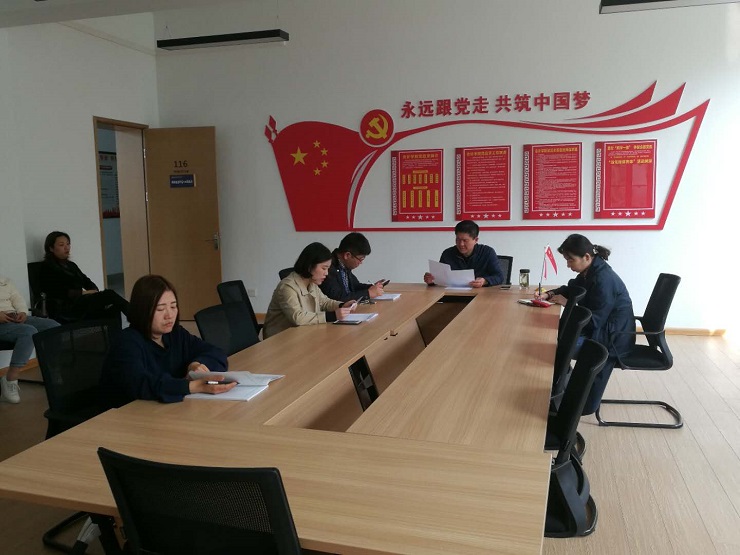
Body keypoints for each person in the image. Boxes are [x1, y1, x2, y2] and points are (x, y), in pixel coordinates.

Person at [99, 275, 236, 409]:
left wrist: (195, 365)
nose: (169, 315)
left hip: (165, 409)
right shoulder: (126, 342)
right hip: (127, 415)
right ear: (142, 310)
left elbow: (216, 353)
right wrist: (193, 386)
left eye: (173, 306)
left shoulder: (175, 334)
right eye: (160, 309)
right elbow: (141, 383)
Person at [537, 234, 635, 415]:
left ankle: (565, 399)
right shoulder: (590, 271)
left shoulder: (604, 279)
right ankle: (561, 389)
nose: (568, 265)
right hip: (602, 331)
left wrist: (569, 304)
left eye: (570, 260)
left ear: (587, 257)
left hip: (611, 339)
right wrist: (549, 294)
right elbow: (571, 289)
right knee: (555, 341)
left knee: (557, 347)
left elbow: (595, 320)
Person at [263, 242, 357, 339]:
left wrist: (342, 305)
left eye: (328, 269)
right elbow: (298, 318)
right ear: (310, 266)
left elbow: (324, 302)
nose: (326, 273)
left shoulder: (312, 283)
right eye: (324, 268)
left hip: (302, 335)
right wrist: (332, 316)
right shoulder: (287, 287)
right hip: (279, 339)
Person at [38, 231, 129, 321]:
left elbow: (86, 281)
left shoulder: (71, 265)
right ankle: (134, 316)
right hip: (66, 308)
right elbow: (57, 292)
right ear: (51, 248)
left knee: (113, 305)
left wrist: (94, 291)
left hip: (80, 302)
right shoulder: (47, 267)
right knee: (109, 294)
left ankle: (123, 327)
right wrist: (84, 293)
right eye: (61, 245)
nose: (67, 247)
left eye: (68, 244)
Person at [0, 274, 60, 403]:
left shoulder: (5, 281)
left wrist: (22, 312)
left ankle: (52, 372)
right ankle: (10, 378)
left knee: (54, 326)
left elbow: (17, 298)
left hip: (13, 317)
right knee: (28, 332)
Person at [423, 220, 505, 287]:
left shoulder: (487, 252)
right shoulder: (447, 254)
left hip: (481, 296)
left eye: (465, 240)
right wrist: (432, 281)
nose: (461, 244)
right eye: (458, 240)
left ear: (476, 240)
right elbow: (441, 279)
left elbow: (499, 277)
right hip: (453, 296)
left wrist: (485, 281)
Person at [320, 232, 386, 302]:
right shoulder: (328, 268)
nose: (361, 263)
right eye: (360, 259)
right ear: (347, 255)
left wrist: (372, 287)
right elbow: (337, 297)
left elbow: (355, 286)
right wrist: (368, 293)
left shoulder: (343, 265)